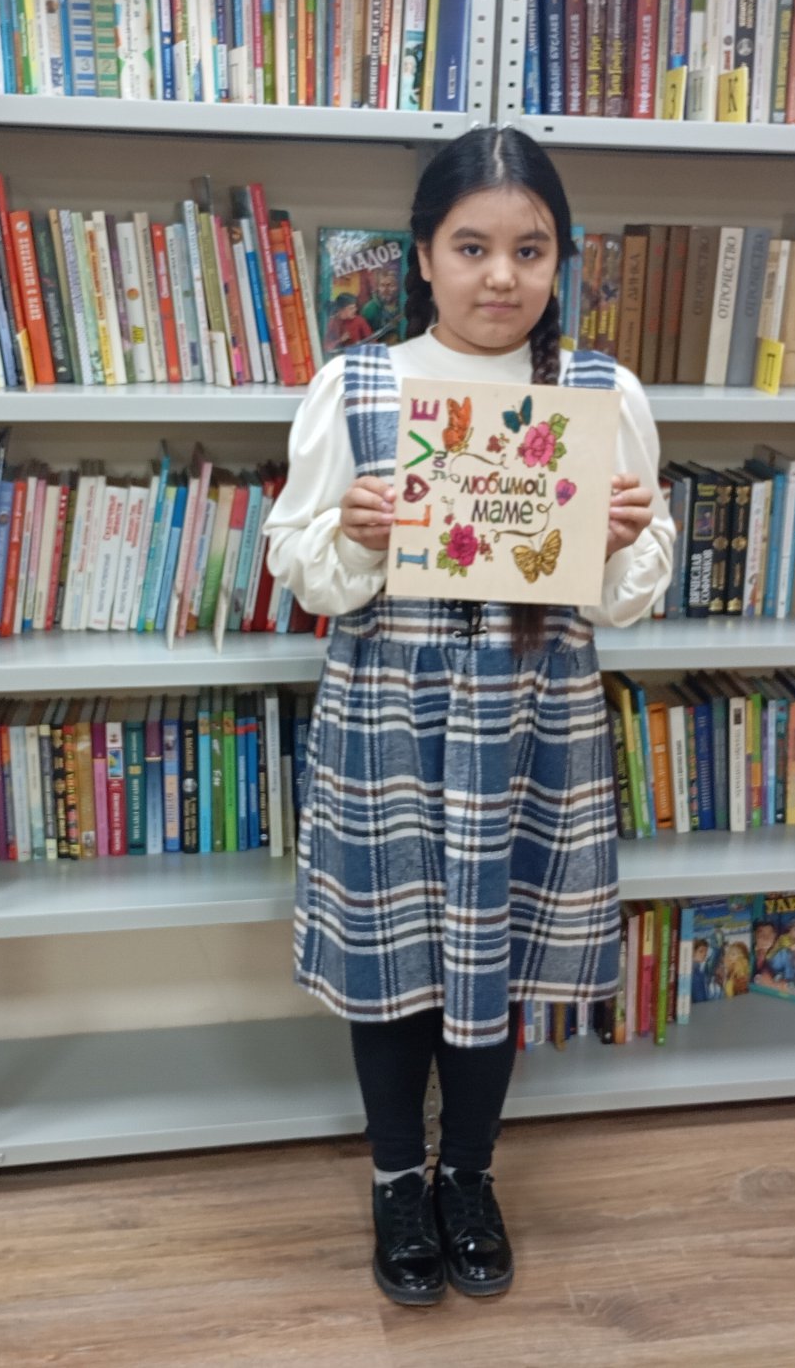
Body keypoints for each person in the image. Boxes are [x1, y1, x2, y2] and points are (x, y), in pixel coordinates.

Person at [265, 127, 674, 1306]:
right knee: (391, 959)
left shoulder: (599, 393)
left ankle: (470, 1174)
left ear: (560, 258)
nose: (502, 275)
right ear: (424, 255)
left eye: (530, 249)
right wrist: (354, 531)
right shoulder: (358, 386)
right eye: (472, 246)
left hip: (532, 718)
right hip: (389, 716)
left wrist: (622, 539)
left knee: (492, 958)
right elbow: (299, 565)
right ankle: (398, 1176)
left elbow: (631, 597)